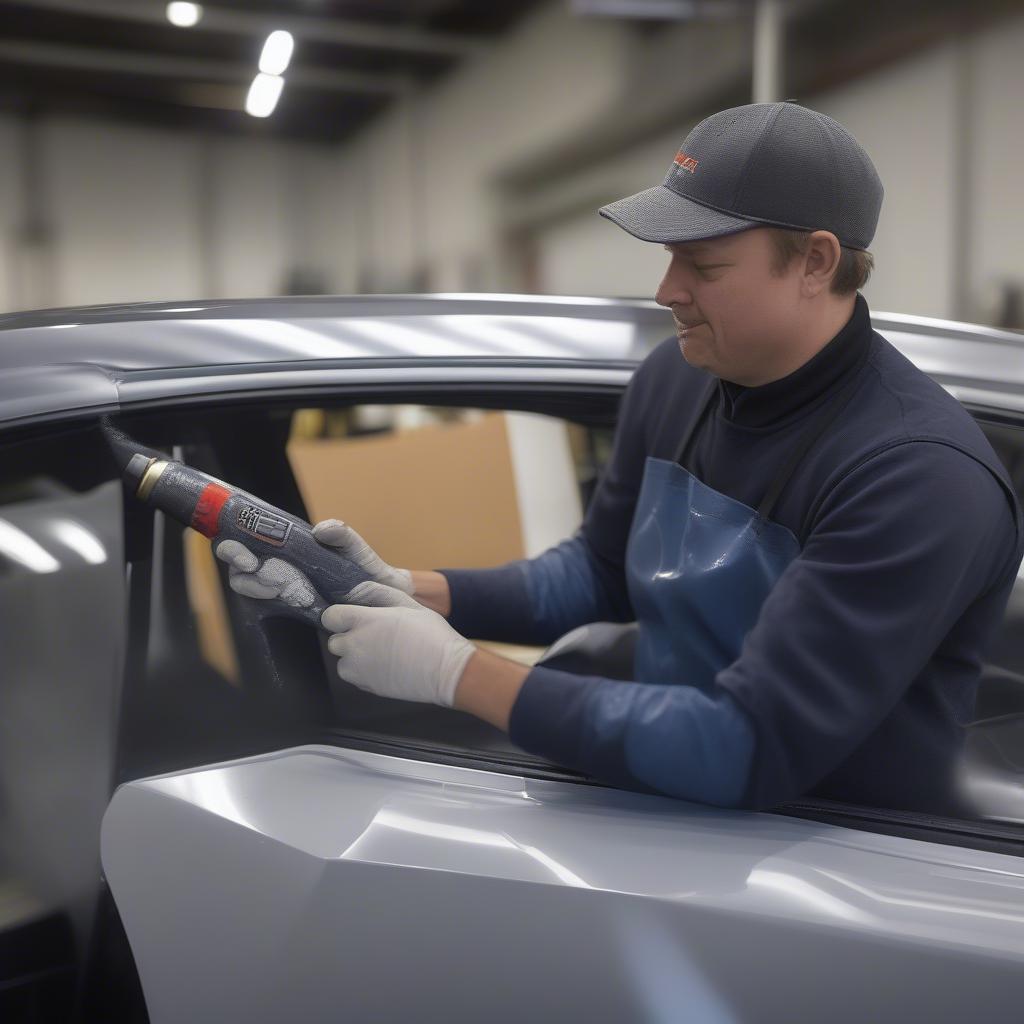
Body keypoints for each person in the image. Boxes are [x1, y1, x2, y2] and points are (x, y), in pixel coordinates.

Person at [219, 101, 1023, 816]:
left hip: (833, 864)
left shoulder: (917, 475)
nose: (668, 289)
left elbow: (746, 746)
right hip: (664, 798)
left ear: (815, 262)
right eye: (669, 257)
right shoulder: (677, 379)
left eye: (704, 265)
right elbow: (599, 572)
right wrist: (407, 590)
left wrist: (459, 676)